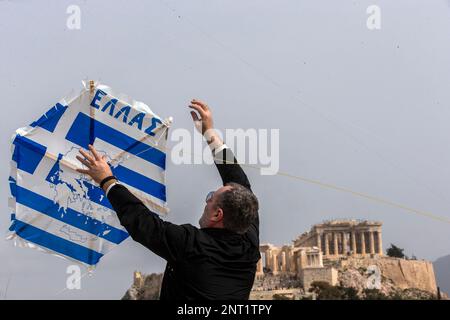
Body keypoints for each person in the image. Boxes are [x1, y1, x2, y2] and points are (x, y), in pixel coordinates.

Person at [76, 99, 260, 300]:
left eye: (210, 198)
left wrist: (106, 179)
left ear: (218, 214)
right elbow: (239, 181)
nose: (206, 201)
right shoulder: (248, 239)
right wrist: (210, 134)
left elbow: (144, 223)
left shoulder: (191, 245)